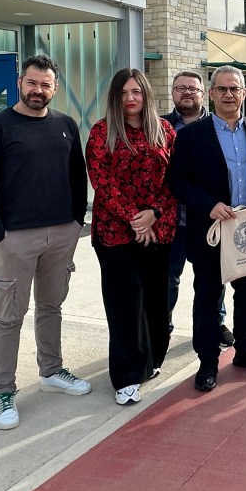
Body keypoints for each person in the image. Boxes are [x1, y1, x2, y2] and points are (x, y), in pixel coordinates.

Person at [0, 55, 91, 431]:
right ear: (21, 82)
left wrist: (76, 222)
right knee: (9, 316)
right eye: (32, 83)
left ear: (55, 88)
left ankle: (51, 371)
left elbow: (78, 176)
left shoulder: (66, 125)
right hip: (15, 238)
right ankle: (3, 391)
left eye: (46, 85)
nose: (38, 90)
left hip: (62, 233)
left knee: (51, 306)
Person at [167, 66, 246, 391]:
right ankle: (207, 362)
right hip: (211, 229)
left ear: (244, 93)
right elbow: (177, 181)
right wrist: (208, 205)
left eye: (235, 89)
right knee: (208, 297)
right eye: (222, 89)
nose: (229, 95)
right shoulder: (191, 135)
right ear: (212, 94)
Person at [86, 68, 178, 405]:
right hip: (115, 233)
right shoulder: (102, 132)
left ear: (146, 94)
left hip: (159, 229)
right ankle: (126, 376)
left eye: (136, 91)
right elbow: (102, 181)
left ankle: (150, 360)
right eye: (123, 92)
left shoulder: (165, 130)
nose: (130, 98)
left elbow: (175, 178)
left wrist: (153, 213)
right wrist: (135, 219)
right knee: (125, 304)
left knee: (155, 299)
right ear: (115, 96)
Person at [161, 71, 233, 349]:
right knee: (168, 279)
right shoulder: (158, 126)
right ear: (172, 93)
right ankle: (162, 327)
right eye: (181, 88)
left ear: (205, 94)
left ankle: (217, 322)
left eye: (193, 88)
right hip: (171, 220)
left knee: (215, 278)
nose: (187, 93)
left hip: (209, 219)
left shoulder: (219, 126)